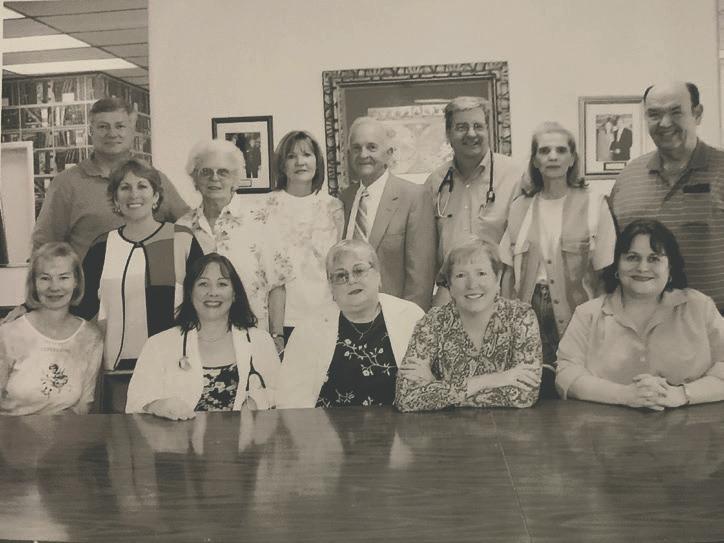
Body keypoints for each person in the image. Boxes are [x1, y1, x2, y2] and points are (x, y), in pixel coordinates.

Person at [76, 158, 203, 412]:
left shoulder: (181, 239)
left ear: (156, 196)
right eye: (125, 187)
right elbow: (81, 304)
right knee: (122, 435)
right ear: (115, 199)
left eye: (142, 186)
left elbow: (201, 299)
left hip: (173, 366)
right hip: (118, 370)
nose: (134, 194)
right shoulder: (103, 246)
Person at [499, 122, 616, 398]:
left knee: (575, 390)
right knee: (530, 392)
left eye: (561, 150)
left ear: (572, 158)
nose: (553, 156)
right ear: (535, 161)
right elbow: (508, 273)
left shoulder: (595, 203)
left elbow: (606, 275)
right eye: (544, 151)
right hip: (528, 313)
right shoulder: (519, 207)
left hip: (579, 314)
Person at [556, 219, 724, 409]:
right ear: (617, 265)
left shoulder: (700, 308)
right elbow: (566, 375)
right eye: (632, 257)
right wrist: (624, 395)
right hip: (606, 425)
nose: (643, 268)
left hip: (694, 424)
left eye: (654, 259)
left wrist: (681, 394)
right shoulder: (587, 314)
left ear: (670, 268)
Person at [610, 81, 724, 313]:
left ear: (697, 114)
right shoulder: (628, 177)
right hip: (642, 321)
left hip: (715, 323)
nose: (665, 123)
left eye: (675, 112)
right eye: (654, 114)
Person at [32, 97, 188, 260]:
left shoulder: (155, 179)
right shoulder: (66, 184)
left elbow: (190, 227)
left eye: (120, 126)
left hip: (149, 276)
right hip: (90, 276)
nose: (112, 134)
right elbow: (44, 247)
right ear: (91, 131)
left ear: (132, 130)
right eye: (103, 127)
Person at [394, 238, 542, 412]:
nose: (472, 284)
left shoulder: (521, 317)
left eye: (481, 273)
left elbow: (524, 395)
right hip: (445, 428)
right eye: (461, 275)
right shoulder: (432, 322)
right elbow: (406, 398)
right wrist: (494, 380)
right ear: (449, 285)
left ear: (497, 278)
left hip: (508, 427)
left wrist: (437, 386)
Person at [126, 253, 280, 419]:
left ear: (235, 294)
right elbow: (135, 402)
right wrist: (157, 405)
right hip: (179, 435)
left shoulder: (260, 341)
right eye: (203, 284)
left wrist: (257, 401)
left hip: (245, 436)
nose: (212, 292)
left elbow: (282, 396)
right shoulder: (158, 344)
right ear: (190, 293)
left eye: (222, 284)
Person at [277, 239, 424, 409]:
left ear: (378, 275)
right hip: (326, 425)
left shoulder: (411, 317)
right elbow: (290, 401)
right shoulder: (308, 330)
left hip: (399, 424)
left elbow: (434, 381)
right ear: (330, 286)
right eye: (341, 275)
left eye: (359, 270)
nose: (351, 280)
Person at [176, 139, 291, 347]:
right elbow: (180, 292)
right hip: (200, 341)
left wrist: (277, 336)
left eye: (223, 172)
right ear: (194, 178)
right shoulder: (183, 227)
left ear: (235, 179)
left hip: (254, 337)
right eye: (205, 172)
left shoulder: (261, 219)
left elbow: (277, 285)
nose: (214, 178)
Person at [239, 130, 344, 341]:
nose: (300, 162)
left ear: (317, 161)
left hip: (326, 315)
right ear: (282, 164)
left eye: (306, 154)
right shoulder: (263, 206)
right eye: (291, 156)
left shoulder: (334, 207)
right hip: (279, 318)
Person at [425, 96, 522, 297]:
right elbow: (427, 251)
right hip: (451, 292)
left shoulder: (515, 176)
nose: (471, 133)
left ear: (488, 130)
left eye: (478, 126)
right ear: (448, 134)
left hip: (500, 291)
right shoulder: (435, 182)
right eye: (461, 127)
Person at [339, 117, 436, 311]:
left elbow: (421, 279)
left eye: (372, 147)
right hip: (349, 314)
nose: (363, 154)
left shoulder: (414, 197)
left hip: (396, 316)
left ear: (389, 153)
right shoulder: (344, 199)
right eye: (356, 148)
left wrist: (409, 321)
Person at [0, 242, 102, 415]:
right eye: (45, 278)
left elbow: (84, 406)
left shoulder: (90, 337)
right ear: (34, 283)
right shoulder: (8, 334)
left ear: (76, 281)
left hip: (67, 430)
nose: (54, 287)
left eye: (63, 277)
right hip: (11, 430)